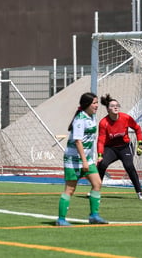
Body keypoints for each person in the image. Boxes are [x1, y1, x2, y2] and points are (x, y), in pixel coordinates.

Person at [56, 92, 108, 226]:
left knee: (97, 184)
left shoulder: (92, 117)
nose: (96, 106)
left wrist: (91, 157)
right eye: (94, 103)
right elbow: (78, 141)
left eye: (97, 103)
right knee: (70, 190)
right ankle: (61, 219)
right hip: (74, 159)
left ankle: (94, 216)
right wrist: (84, 161)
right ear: (87, 104)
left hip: (87, 158)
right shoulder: (80, 119)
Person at [96, 94, 142, 200]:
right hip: (110, 148)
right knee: (102, 164)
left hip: (125, 147)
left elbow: (137, 129)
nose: (115, 107)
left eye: (117, 105)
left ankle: (139, 191)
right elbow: (101, 140)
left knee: (129, 166)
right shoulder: (103, 123)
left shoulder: (126, 118)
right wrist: (100, 155)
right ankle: (95, 190)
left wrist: (140, 144)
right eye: (112, 106)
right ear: (107, 109)